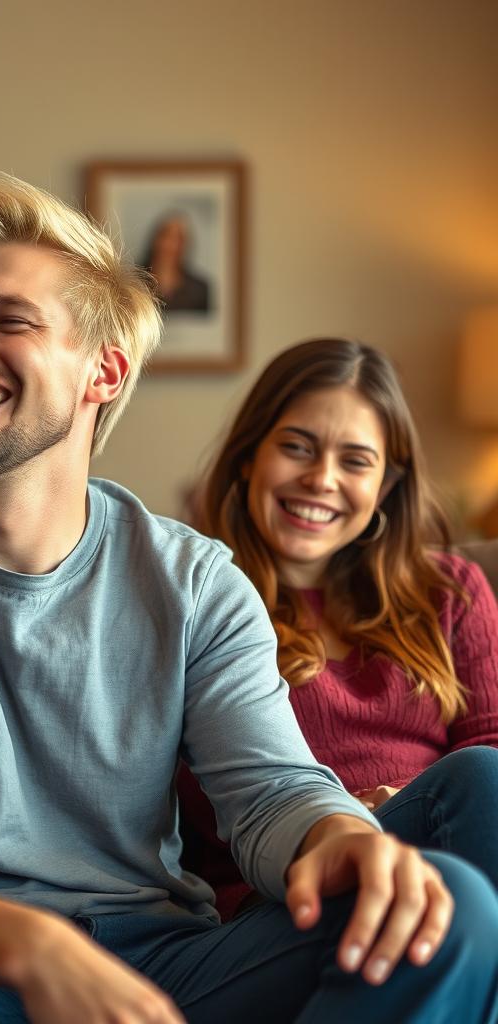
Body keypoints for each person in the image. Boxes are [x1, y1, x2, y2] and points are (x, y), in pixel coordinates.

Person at [0, 178, 498, 1024]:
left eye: (9, 319)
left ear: (102, 371)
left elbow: (270, 793)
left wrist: (344, 837)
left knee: (454, 901)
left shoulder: (195, 580)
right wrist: (32, 947)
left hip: (163, 972)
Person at [179, 337, 498, 922]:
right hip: (288, 890)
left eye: (355, 460)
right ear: (250, 456)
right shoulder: (196, 600)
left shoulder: (450, 592)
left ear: (387, 484)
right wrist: (328, 819)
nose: (322, 479)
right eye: (297, 448)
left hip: (453, 847)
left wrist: (408, 800)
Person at [140, 213, 210, 313]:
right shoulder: (135, 282)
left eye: (179, 239)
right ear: (156, 239)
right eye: (167, 235)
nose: (172, 245)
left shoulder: (200, 290)